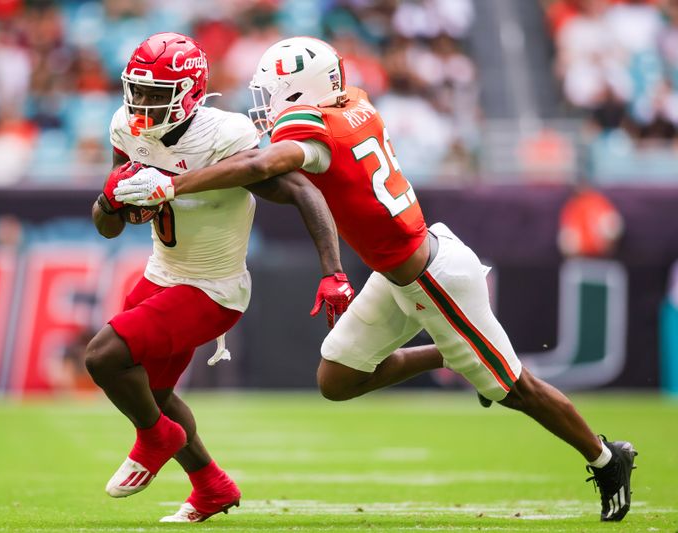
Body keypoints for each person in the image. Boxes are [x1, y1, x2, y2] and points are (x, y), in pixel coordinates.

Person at [113, 36, 638, 523]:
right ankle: (453, 354)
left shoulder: (313, 133)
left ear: (300, 92)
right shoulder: (354, 102)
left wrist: (171, 185)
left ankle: (605, 454)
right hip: (398, 274)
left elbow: (266, 163)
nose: (266, 104)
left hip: (431, 280)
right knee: (337, 380)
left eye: (273, 93)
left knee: (514, 389)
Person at [84, 33, 353, 524]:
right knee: (155, 394)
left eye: (155, 92)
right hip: (160, 273)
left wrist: (333, 271)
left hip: (212, 290)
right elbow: (108, 226)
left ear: (188, 92)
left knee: (103, 357)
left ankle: (156, 437)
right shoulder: (125, 126)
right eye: (137, 90)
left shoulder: (223, 135)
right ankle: (211, 486)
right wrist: (109, 199)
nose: (141, 103)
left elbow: (301, 190)